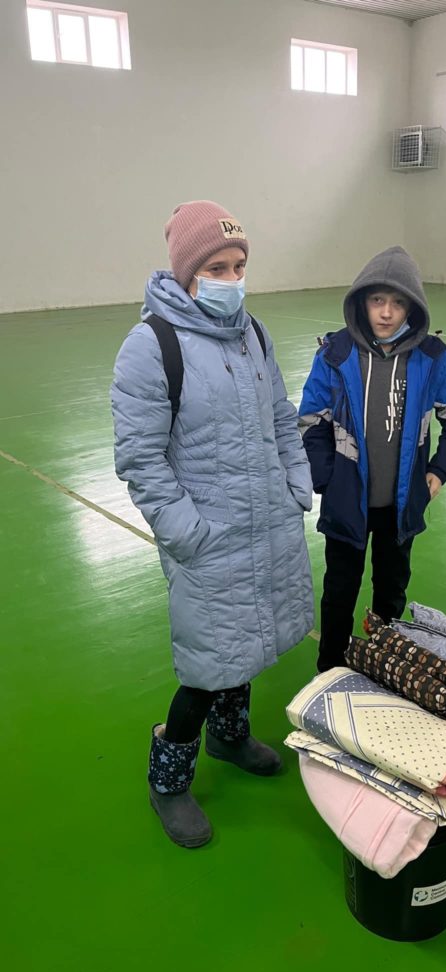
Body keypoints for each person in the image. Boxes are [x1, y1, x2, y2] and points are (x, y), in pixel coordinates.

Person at [111, 201, 314, 848]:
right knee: (204, 668)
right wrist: (186, 534)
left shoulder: (253, 334)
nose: (231, 278)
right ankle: (169, 778)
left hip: (264, 522)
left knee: (247, 640)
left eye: (239, 265)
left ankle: (231, 738)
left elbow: (281, 415)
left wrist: (295, 482)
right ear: (186, 272)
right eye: (216, 268)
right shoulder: (152, 346)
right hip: (206, 537)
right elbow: (139, 457)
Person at [299, 245, 446, 673]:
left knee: (392, 587)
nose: (386, 312)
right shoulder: (334, 354)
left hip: (400, 504)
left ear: (412, 308)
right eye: (377, 300)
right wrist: (326, 479)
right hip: (347, 502)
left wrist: (438, 472)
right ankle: (330, 669)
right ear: (361, 301)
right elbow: (310, 422)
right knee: (339, 588)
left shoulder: (434, 357)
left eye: (398, 303)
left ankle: (387, 662)